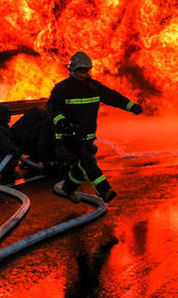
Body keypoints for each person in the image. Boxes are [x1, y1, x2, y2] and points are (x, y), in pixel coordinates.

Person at [48, 51, 144, 203]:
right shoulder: (62, 89)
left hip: (87, 135)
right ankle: (105, 191)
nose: (84, 74)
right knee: (87, 161)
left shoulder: (93, 87)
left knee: (82, 165)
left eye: (86, 70)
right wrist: (63, 124)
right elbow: (54, 110)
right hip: (68, 136)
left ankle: (68, 188)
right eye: (81, 71)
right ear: (72, 71)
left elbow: (113, 97)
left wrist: (132, 107)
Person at [10, 105, 59, 174]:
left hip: (18, 142)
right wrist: (46, 163)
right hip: (24, 144)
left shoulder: (36, 116)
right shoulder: (46, 122)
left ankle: (30, 162)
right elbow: (42, 143)